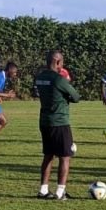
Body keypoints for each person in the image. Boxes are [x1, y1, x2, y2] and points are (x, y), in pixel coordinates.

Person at [34, 50, 81, 200]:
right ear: (57, 62)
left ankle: (43, 190)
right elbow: (76, 97)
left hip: (44, 121)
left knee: (48, 155)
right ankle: (60, 192)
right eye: (62, 62)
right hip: (60, 121)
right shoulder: (59, 79)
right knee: (65, 156)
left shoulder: (40, 78)